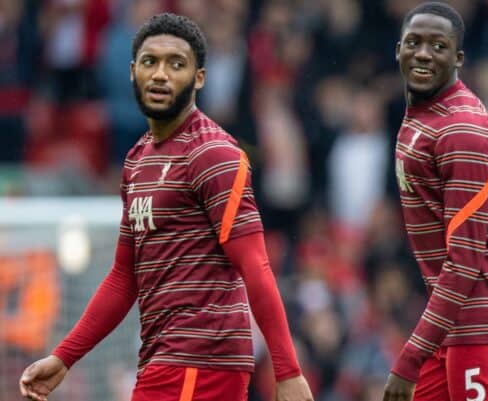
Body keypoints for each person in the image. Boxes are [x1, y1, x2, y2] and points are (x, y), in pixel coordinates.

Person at [19, 13, 314, 401]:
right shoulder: (137, 159)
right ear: (132, 72)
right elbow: (124, 278)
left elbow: (254, 266)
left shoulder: (214, 153)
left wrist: (288, 372)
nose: (161, 74)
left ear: (199, 78)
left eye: (176, 64)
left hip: (201, 363)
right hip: (164, 361)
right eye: (150, 62)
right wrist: (64, 356)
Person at [383, 3, 488, 401]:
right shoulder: (423, 116)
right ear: (397, 49)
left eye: (438, 45)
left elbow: (465, 260)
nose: (423, 53)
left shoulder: (461, 130)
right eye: (414, 42)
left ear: (457, 59)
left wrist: (409, 357)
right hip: (458, 319)